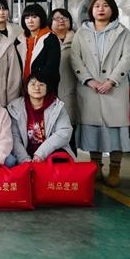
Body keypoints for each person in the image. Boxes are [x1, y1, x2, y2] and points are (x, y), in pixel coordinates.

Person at [71, 0, 130, 187]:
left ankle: (115, 169)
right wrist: (88, 80)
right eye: (97, 6)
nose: (101, 9)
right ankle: (96, 167)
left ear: (112, 9)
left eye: (105, 5)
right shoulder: (81, 33)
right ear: (91, 10)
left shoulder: (123, 33)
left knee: (116, 130)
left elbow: (127, 58)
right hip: (89, 88)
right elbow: (75, 58)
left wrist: (112, 81)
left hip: (114, 89)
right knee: (93, 130)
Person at [7, 72, 73, 164]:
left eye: (41, 84)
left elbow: (64, 132)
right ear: (26, 87)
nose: (37, 88)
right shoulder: (15, 107)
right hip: (24, 154)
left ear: (47, 87)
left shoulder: (57, 106)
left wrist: (40, 154)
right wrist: (24, 159)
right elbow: (15, 137)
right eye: (33, 84)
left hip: (50, 153)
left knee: (59, 161)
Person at [15, 4, 61, 92]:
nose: (30, 21)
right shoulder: (19, 39)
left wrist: (35, 84)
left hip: (43, 88)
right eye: (27, 18)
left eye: (34, 17)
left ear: (41, 18)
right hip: (22, 88)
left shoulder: (50, 38)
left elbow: (52, 66)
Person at [50, 8, 78, 151]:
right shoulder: (46, 40)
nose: (61, 21)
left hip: (72, 92)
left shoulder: (78, 40)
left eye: (64, 18)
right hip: (51, 92)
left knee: (70, 130)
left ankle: (71, 161)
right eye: (56, 18)